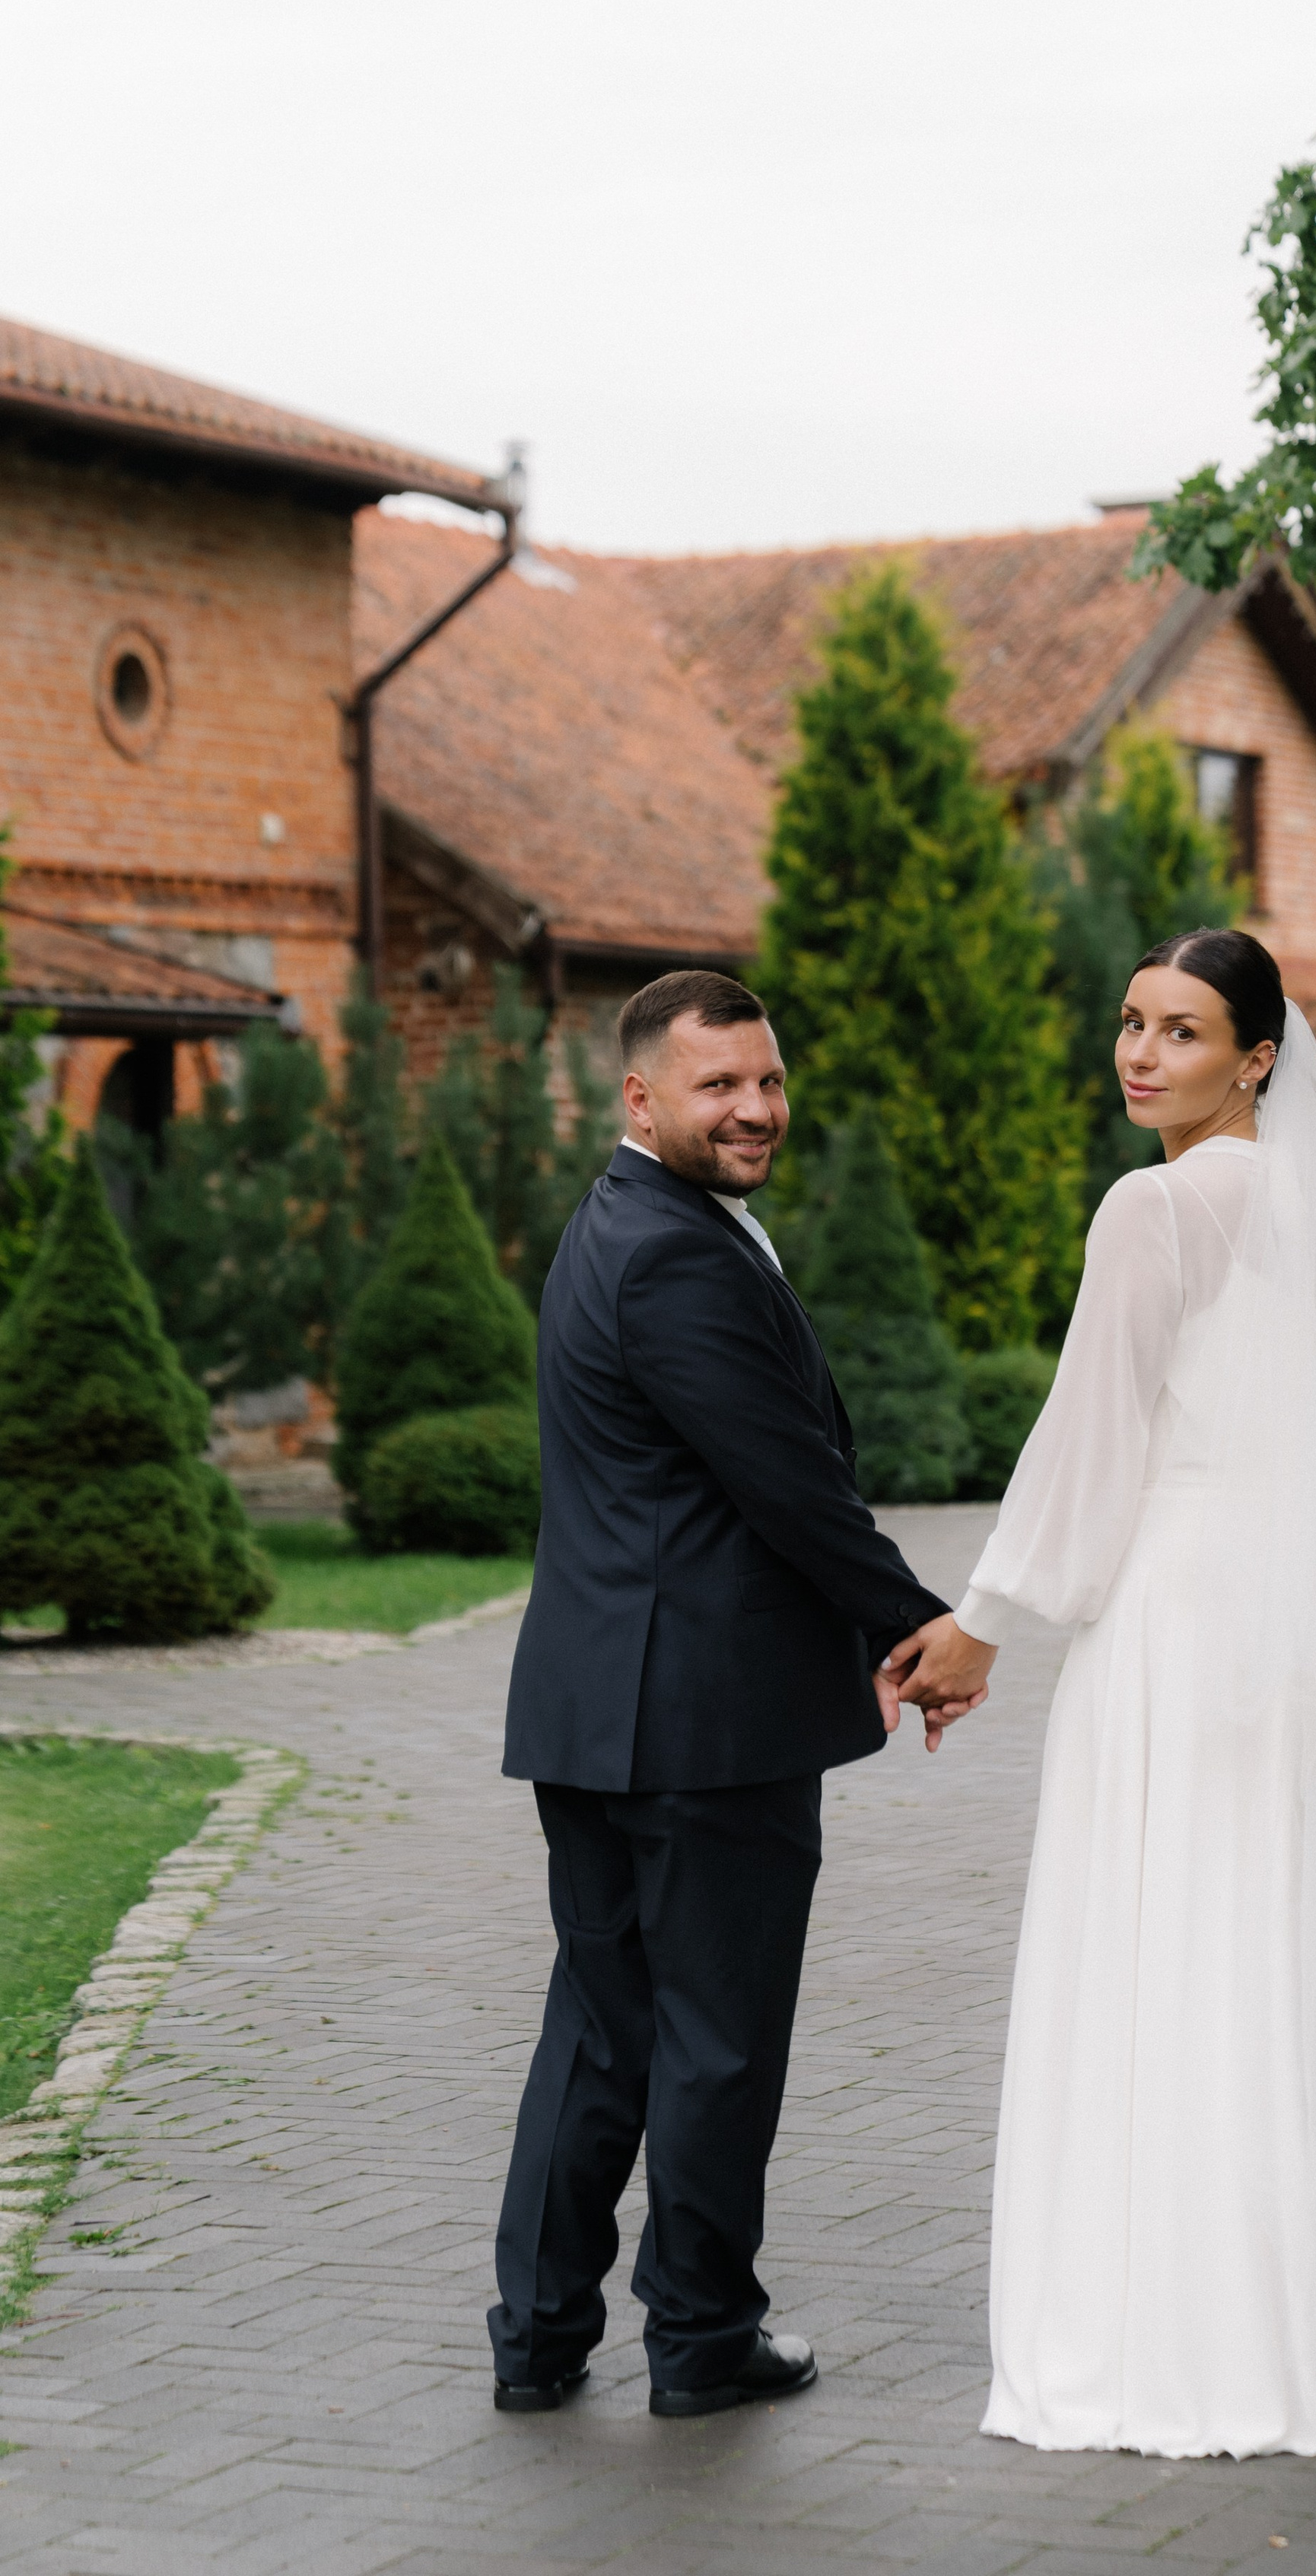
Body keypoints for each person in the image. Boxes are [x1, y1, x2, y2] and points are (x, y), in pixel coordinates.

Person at [888, 929, 1316, 2460]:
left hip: (1181, 1628)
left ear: (1256, 1057)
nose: (1139, 1054)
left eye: (1179, 1031)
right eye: (1130, 1022)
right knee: (1290, 1942)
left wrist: (984, 1623)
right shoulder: (1313, 1204)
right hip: (1299, 1640)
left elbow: (1090, 1442)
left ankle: (1191, 2331)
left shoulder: (1155, 1207)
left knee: (1176, 1938)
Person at [488, 970, 993, 2421]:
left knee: (602, 2032)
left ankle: (538, 2337)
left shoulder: (613, 1224)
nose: (756, 1108)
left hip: (598, 1713)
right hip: (704, 1729)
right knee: (715, 2041)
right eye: (720, 1085)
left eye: (768, 1080)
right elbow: (790, 1484)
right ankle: (702, 2339)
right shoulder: (676, 1255)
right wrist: (920, 1624)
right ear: (641, 1095)